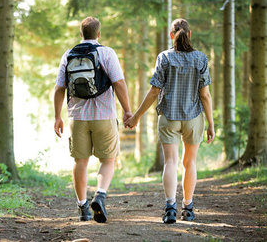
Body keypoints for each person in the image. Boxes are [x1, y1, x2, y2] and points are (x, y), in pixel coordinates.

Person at [125, 18, 215, 223]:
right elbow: (205, 96)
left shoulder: (164, 57)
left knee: (171, 162)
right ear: (189, 35)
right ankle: (189, 208)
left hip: (168, 117)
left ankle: (170, 209)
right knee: (189, 161)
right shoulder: (201, 59)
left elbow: (154, 91)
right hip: (193, 118)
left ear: (171, 35)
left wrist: (136, 116)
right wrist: (211, 123)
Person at [54, 17, 132, 223]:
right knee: (107, 160)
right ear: (99, 34)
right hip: (104, 116)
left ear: (81, 34)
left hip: (77, 117)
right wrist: (127, 111)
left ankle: (82, 208)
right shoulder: (106, 53)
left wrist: (57, 117)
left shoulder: (68, 54)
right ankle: (99, 195)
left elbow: (59, 89)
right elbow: (120, 83)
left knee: (80, 161)